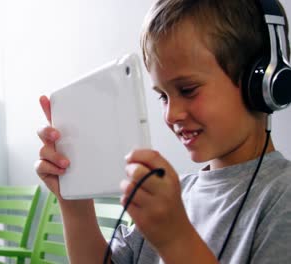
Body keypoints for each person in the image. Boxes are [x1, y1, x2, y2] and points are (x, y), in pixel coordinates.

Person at [35, 0, 291, 263]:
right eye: (163, 96)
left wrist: (176, 240)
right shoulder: (176, 193)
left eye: (187, 90)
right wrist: (74, 205)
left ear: (263, 83)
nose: (171, 114)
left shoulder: (282, 197)